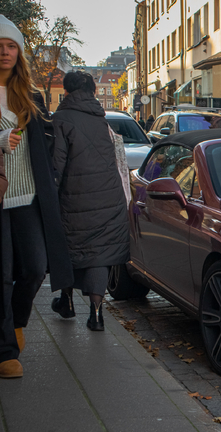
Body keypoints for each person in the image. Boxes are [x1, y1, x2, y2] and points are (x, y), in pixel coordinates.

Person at [0, 15, 74, 379]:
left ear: (19, 52)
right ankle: (4, 351)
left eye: (11, 45)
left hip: (27, 194)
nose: (4, 51)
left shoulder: (28, 94)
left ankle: (14, 321)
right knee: (2, 272)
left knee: (34, 267)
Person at [50, 71, 129, 331]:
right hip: (109, 197)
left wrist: (49, 193)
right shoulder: (102, 119)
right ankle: (96, 314)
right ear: (94, 91)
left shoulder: (60, 119)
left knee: (69, 251)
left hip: (73, 198)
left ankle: (67, 301)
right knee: (99, 255)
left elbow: (56, 163)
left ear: (66, 91)